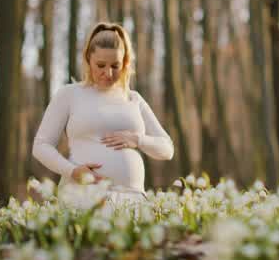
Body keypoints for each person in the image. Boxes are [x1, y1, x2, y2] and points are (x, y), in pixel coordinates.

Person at [32, 22, 174, 201]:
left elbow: (167, 149)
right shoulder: (70, 94)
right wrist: (72, 171)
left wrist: (137, 139)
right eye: (100, 65)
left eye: (115, 65)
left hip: (133, 200)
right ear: (88, 60)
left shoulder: (133, 99)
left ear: (125, 64)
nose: (108, 73)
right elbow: (41, 145)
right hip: (83, 195)